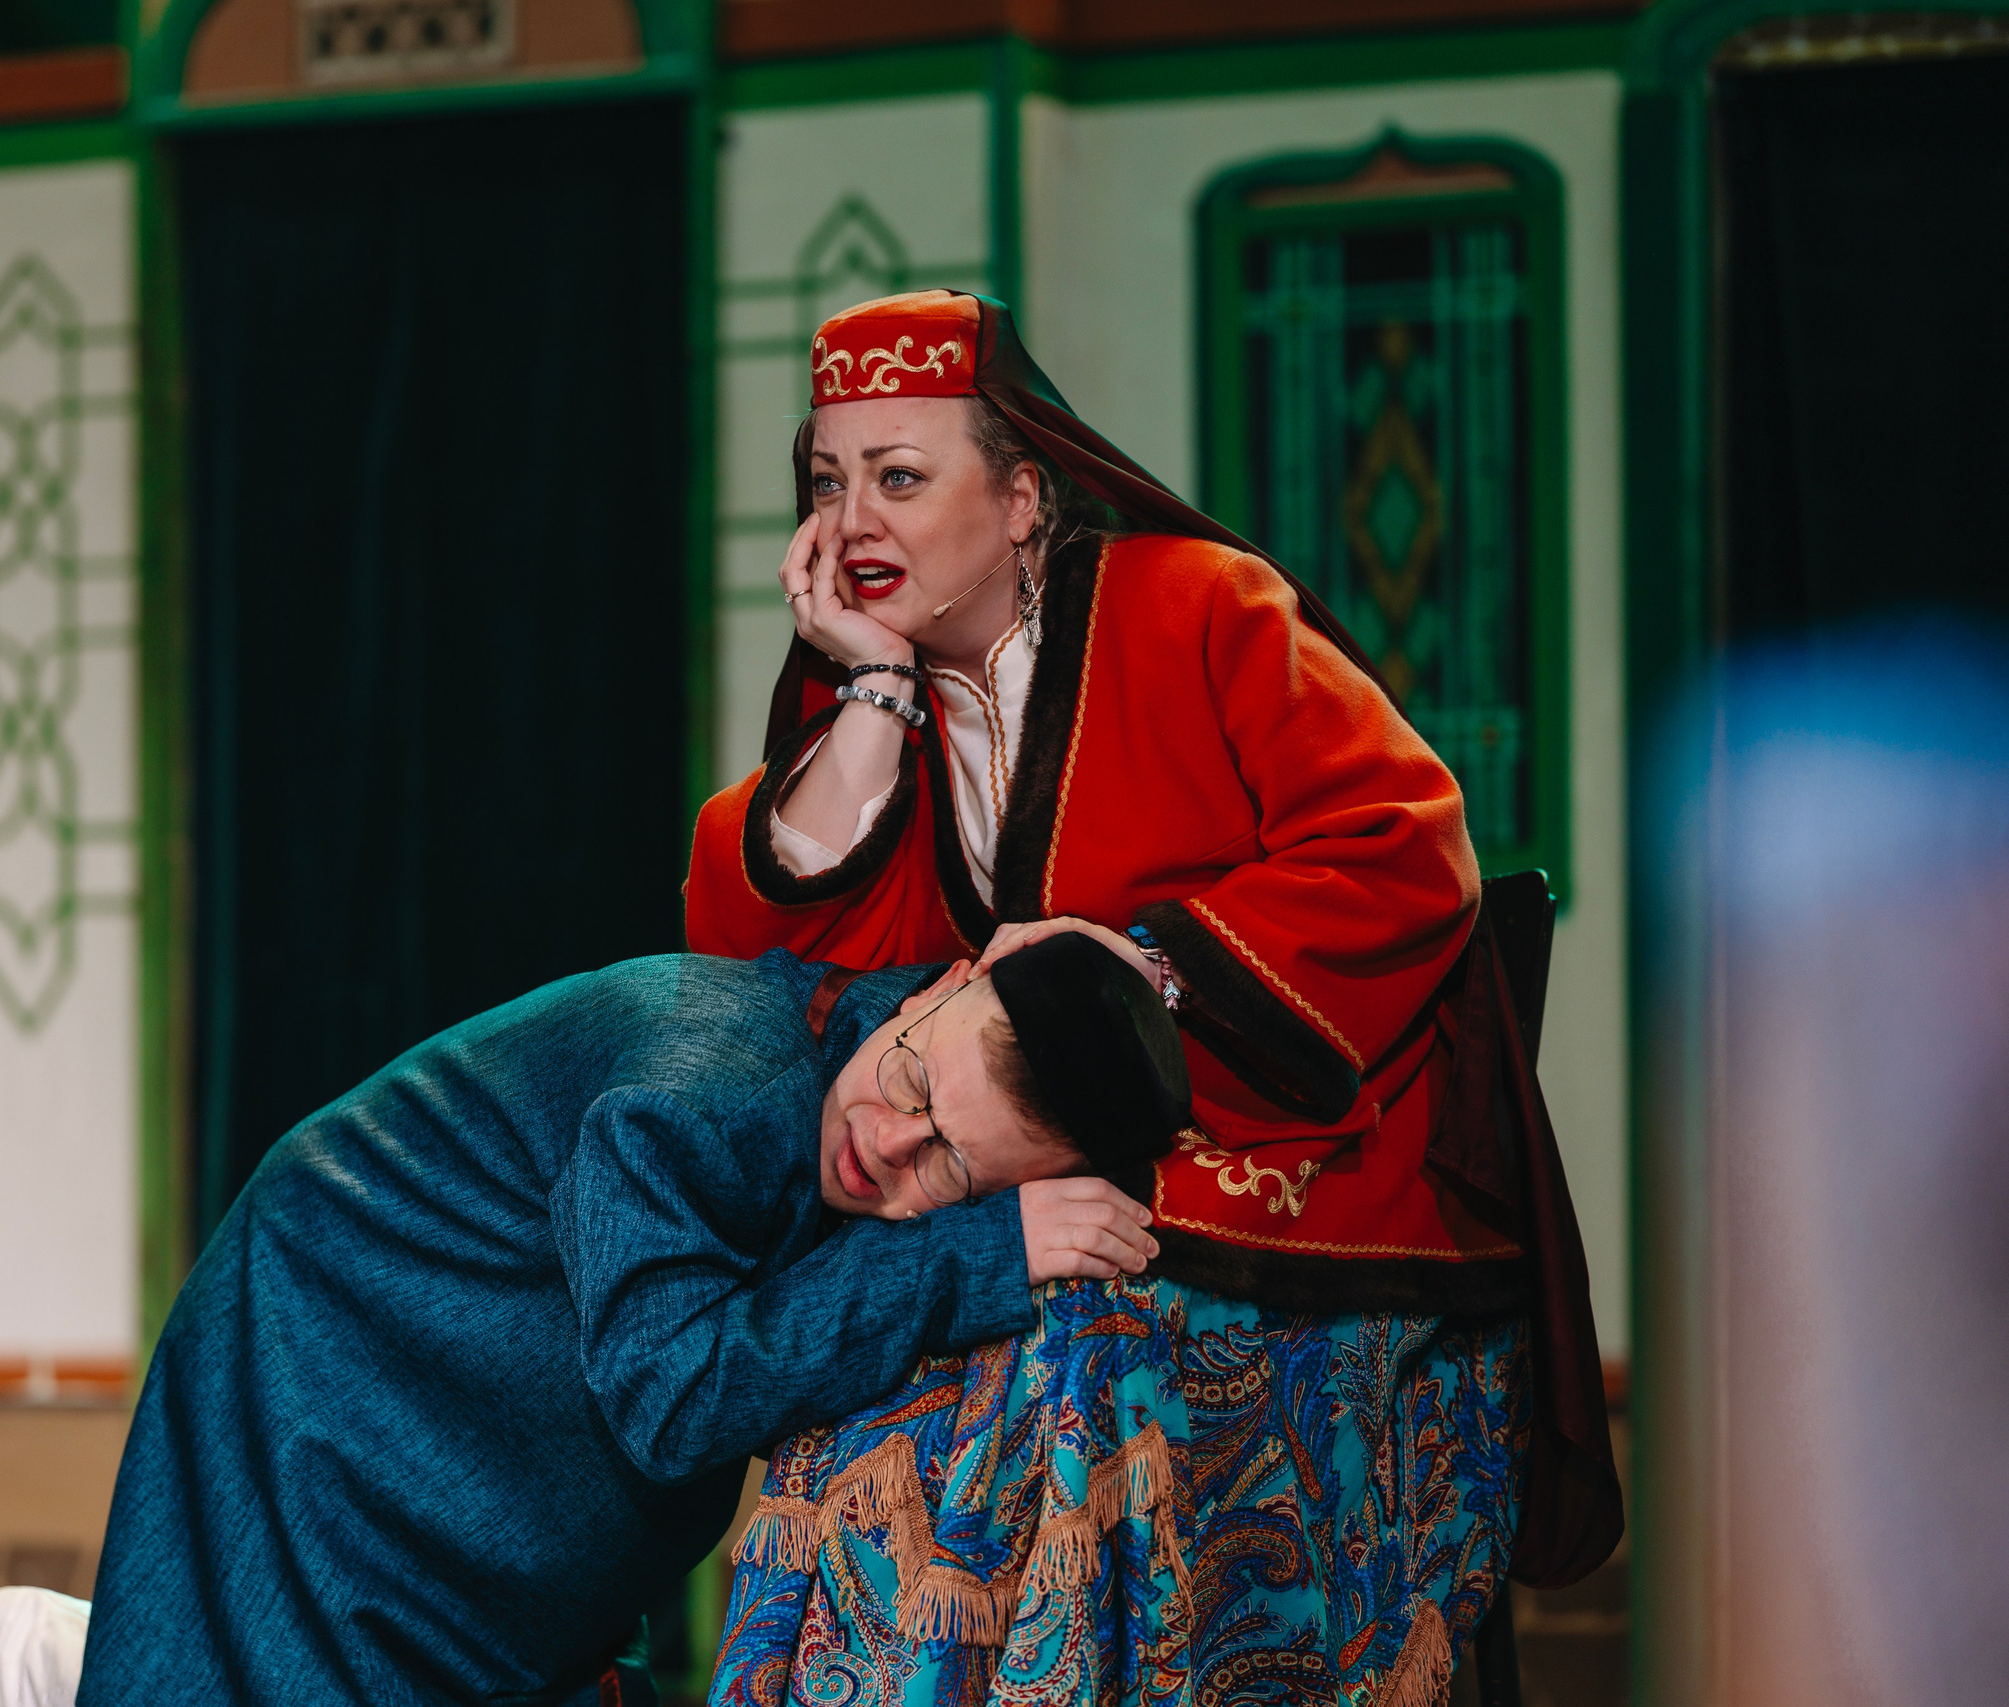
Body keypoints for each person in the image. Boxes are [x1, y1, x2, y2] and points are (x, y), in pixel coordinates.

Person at [686, 290, 1619, 1701]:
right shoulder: (866, 713)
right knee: (889, 1321)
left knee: (1072, 1325)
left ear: (1019, 496)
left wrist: (1138, 981)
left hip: (1281, 1145)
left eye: (900, 476)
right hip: (1008, 1159)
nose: (854, 518)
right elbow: (788, 989)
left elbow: (1402, 839)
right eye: (828, 480)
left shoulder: (1199, 608)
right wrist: (874, 696)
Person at [60, 935, 1183, 1707]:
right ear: (938, 987)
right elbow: (673, 1397)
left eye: (951, 1165)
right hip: (340, 1316)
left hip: (501, 1367)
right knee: (297, 1661)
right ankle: (64, 1662)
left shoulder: (860, 1066)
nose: (890, 1146)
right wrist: (979, 1247)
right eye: (915, 1086)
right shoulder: (701, 1090)